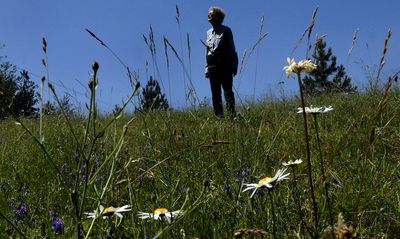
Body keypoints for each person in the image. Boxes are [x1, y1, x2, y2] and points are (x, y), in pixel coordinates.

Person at [204, 6, 238, 118]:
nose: (209, 15)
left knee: (228, 92)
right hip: (212, 66)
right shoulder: (208, 33)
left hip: (225, 66)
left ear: (218, 17)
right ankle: (219, 119)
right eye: (208, 13)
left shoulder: (226, 30)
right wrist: (206, 68)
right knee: (215, 94)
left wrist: (234, 65)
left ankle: (232, 116)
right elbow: (207, 52)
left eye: (211, 14)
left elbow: (232, 49)